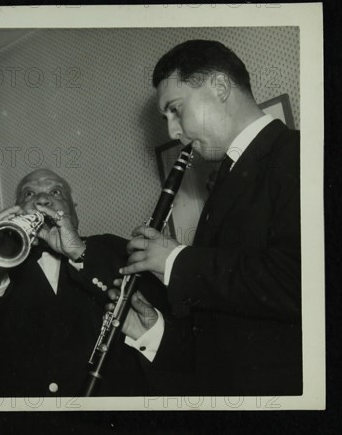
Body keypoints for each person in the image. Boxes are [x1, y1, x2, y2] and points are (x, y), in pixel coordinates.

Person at [116, 40, 301, 395]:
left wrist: (176, 261)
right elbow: (231, 330)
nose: (172, 132)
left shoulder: (296, 154)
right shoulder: (230, 177)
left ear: (219, 87)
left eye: (175, 109)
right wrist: (153, 332)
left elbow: (300, 281)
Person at [0, 169, 151, 397]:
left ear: (73, 209)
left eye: (55, 191)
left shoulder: (114, 250)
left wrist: (79, 253)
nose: (41, 200)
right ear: (16, 209)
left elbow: (154, 320)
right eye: (29, 194)